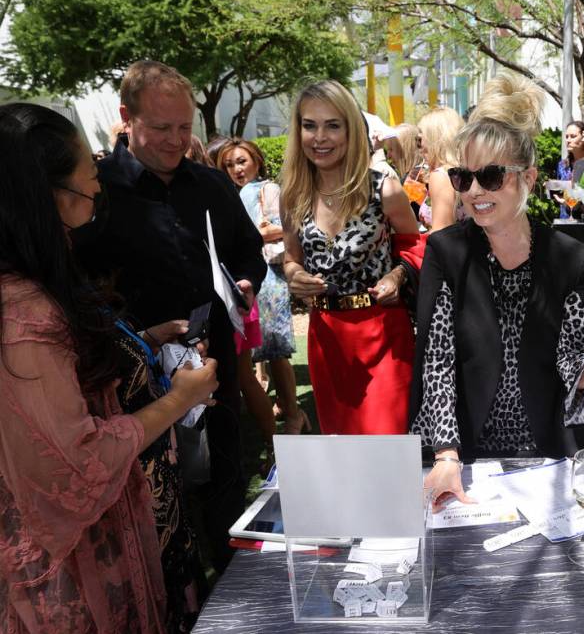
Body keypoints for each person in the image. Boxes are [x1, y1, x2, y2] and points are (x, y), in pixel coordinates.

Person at [0, 102, 219, 633]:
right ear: (49, 194)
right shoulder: (22, 315)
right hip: (79, 572)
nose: (98, 184)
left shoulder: (38, 276)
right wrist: (179, 399)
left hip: (130, 531)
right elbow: (73, 469)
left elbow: (65, 378)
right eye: (89, 174)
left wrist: (141, 342)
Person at [72, 61, 267, 574]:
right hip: (129, 387)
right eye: (161, 128)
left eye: (185, 128)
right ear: (125, 118)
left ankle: (232, 605)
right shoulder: (94, 194)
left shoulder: (211, 186)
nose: (176, 140)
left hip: (214, 373)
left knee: (224, 498)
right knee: (151, 520)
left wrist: (246, 283)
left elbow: (250, 252)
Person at [409, 73, 584, 507]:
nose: (474, 191)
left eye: (490, 177)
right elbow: (437, 361)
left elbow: (572, 351)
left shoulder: (570, 257)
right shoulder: (446, 253)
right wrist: (447, 453)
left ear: (526, 176)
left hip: (548, 451)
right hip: (466, 452)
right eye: (462, 178)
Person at [281, 80, 421, 435]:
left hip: (383, 335)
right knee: (342, 451)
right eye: (309, 125)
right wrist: (294, 276)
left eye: (332, 125)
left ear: (351, 130)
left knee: (385, 448)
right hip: (326, 339)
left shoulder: (384, 189)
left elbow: (416, 246)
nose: (320, 137)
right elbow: (291, 259)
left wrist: (398, 276)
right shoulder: (292, 196)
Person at [217, 138, 308, 451]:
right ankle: (288, 407)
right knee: (264, 350)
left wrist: (248, 235)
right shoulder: (231, 192)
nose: (236, 169)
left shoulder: (267, 189)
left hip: (267, 274)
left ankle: (294, 414)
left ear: (256, 159)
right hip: (250, 276)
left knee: (276, 347)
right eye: (229, 164)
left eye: (241, 161)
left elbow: (283, 228)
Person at [417, 107, 465, 231]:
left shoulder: (441, 176)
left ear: (435, 139)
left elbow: (441, 234)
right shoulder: (466, 170)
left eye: (420, 140)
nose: (419, 147)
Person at [556, 120, 584, 218]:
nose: (568, 140)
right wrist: (553, 189)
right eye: (567, 137)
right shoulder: (563, 165)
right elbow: (561, 192)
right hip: (565, 218)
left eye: (573, 136)